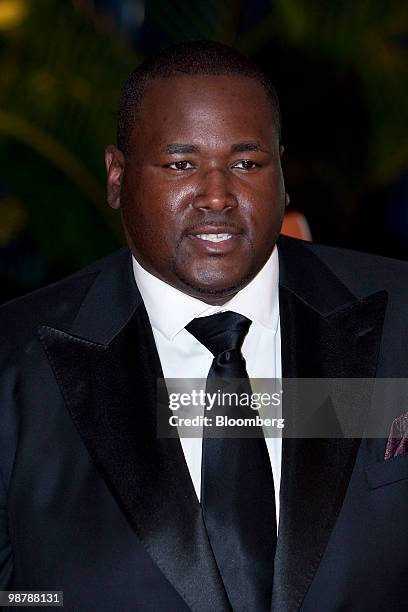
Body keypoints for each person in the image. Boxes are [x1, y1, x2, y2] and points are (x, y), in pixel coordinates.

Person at [1, 40, 408, 612]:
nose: (217, 196)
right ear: (116, 177)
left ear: (282, 174)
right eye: (180, 165)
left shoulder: (398, 318)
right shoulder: (17, 364)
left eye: (246, 164)